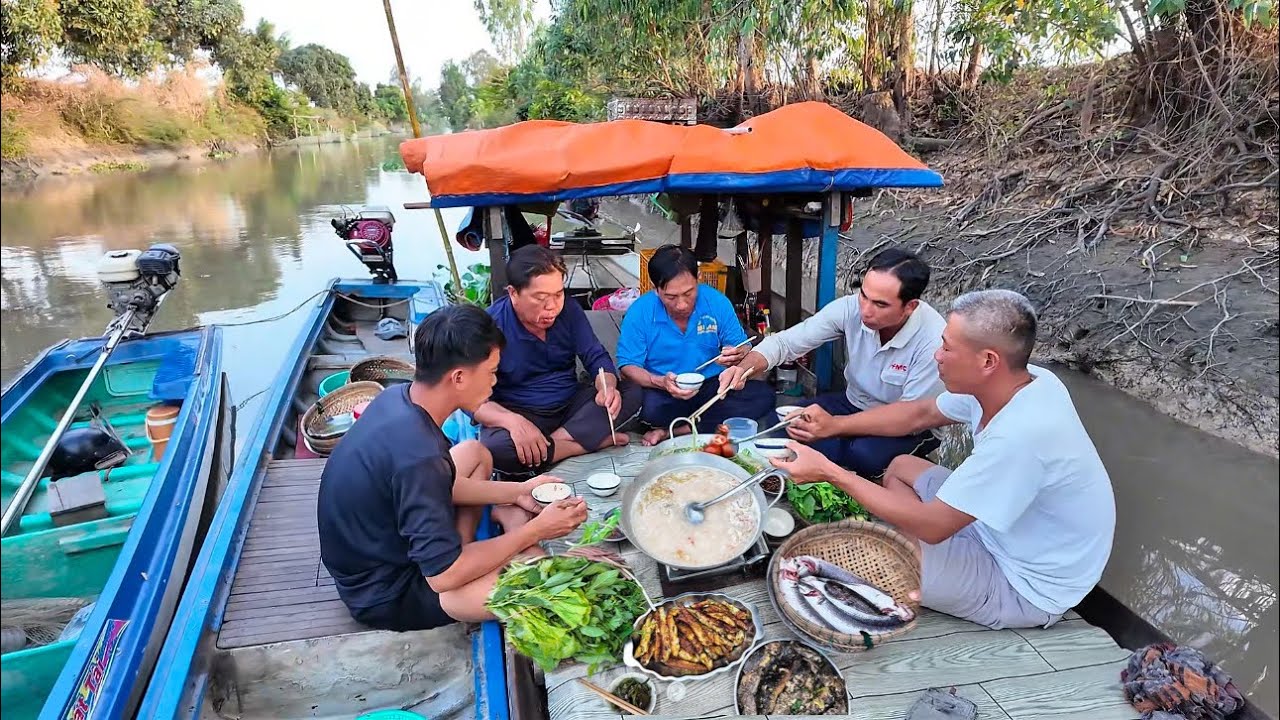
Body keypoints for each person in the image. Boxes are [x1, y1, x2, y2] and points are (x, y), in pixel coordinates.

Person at [771, 289, 1116, 630]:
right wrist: (835, 426)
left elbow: (934, 528)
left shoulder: (1021, 436)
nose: (937, 355)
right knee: (901, 467)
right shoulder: (1025, 381)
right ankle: (916, 550)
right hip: (999, 528)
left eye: (948, 347)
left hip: (1024, 583)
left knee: (884, 563)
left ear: (988, 361)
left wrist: (829, 471)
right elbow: (919, 414)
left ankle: (911, 555)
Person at [317, 305, 588, 631]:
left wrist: (518, 491)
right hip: (388, 591)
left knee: (476, 452)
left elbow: (440, 483)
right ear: (458, 377)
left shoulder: (398, 398)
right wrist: (536, 530)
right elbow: (441, 576)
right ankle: (471, 553)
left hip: (390, 541)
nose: (494, 383)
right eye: (491, 372)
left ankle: (471, 546)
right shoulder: (418, 457)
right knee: (540, 571)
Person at [719, 247, 945, 478]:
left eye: (880, 304)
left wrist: (834, 426)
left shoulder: (933, 340)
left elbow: (910, 416)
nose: (865, 310)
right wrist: (743, 367)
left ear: (910, 306)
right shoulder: (850, 309)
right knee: (783, 422)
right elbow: (786, 343)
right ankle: (841, 455)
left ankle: (851, 461)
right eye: (863, 295)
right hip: (854, 402)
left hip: (910, 425)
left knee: (864, 455)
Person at [476, 245, 642, 477]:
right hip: (520, 412)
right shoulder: (489, 326)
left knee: (632, 391)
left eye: (558, 294)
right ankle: (586, 443)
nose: (552, 306)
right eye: (540, 298)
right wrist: (514, 422)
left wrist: (608, 386)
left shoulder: (569, 311)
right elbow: (473, 400)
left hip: (571, 407)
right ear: (513, 293)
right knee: (493, 448)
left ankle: (548, 449)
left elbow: (596, 357)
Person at [616, 244, 775, 445]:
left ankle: (676, 430)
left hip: (712, 388)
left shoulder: (716, 302)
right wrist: (660, 382)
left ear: (698, 278)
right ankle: (697, 425)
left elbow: (743, 346)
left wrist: (737, 355)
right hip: (664, 389)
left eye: (689, 293)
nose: (681, 304)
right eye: (671, 297)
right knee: (646, 406)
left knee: (763, 395)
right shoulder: (640, 312)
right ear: (656, 289)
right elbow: (627, 366)